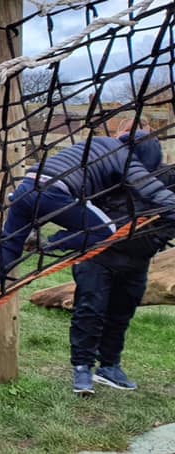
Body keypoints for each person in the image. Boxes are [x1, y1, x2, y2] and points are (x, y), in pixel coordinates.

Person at [0, 129, 175, 296]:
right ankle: (49, 243)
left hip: (27, 186)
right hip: (55, 192)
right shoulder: (125, 157)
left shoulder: (97, 143)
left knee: (10, 243)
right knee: (105, 230)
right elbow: (152, 190)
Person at [69, 122, 175, 395]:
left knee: (121, 313)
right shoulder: (102, 175)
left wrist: (154, 240)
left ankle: (110, 366)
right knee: (89, 310)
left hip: (137, 259)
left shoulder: (165, 178)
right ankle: (82, 368)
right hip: (97, 255)